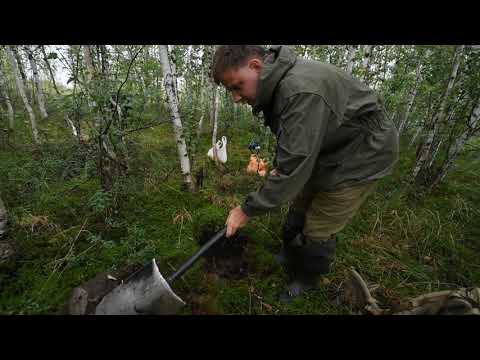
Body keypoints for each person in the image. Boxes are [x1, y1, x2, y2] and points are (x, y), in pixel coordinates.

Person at [212, 45, 399, 302]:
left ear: (256, 66)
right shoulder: (280, 83)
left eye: (236, 86)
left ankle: (307, 279)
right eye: (229, 90)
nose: (235, 97)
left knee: (320, 223)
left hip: (365, 152)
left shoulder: (300, 91)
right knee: (299, 203)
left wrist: (246, 210)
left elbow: (294, 166)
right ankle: (288, 256)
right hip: (331, 145)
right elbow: (293, 140)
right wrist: (282, 168)